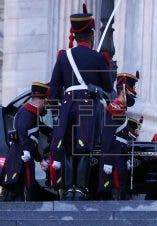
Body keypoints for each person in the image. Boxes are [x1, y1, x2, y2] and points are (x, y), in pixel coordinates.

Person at [49, 5, 113, 200]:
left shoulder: (63, 57)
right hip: (87, 104)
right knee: (84, 149)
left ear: (75, 35)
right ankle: (81, 189)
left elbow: (54, 88)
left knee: (68, 148)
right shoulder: (98, 57)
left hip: (68, 105)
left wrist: (55, 113)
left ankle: (68, 189)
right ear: (91, 34)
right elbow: (109, 87)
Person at [0, 82, 50, 201]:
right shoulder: (27, 113)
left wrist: (40, 159)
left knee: (23, 190)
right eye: (46, 102)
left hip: (24, 158)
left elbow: (33, 139)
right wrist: (27, 151)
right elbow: (23, 132)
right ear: (43, 101)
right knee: (21, 191)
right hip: (21, 159)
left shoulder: (31, 114)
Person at [98, 73, 138, 200]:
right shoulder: (114, 109)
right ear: (124, 92)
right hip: (113, 157)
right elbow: (107, 137)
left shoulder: (120, 110)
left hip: (120, 155)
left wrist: (126, 159)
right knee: (113, 190)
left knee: (120, 187)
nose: (132, 98)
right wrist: (108, 161)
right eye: (130, 94)